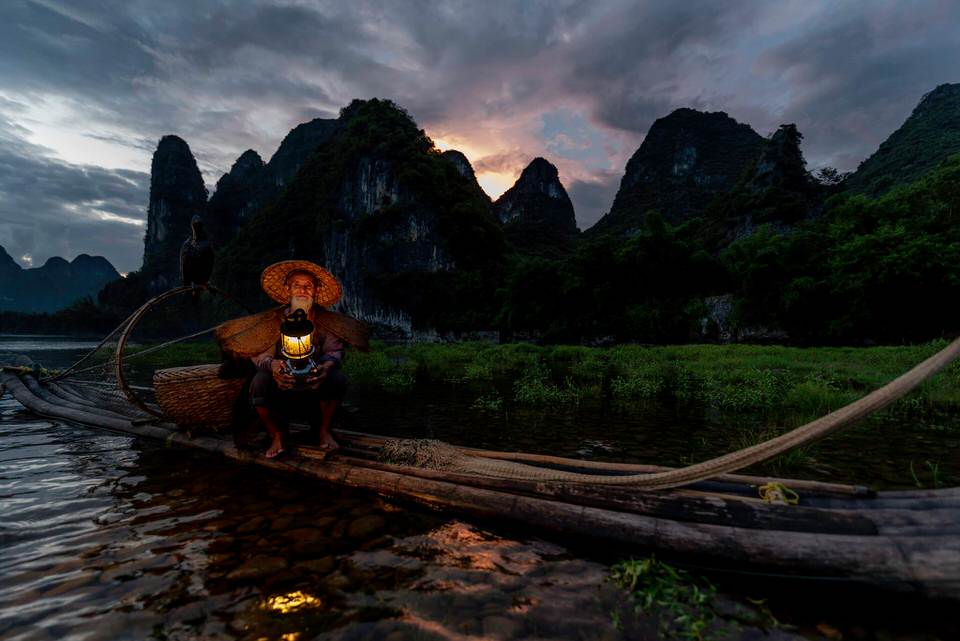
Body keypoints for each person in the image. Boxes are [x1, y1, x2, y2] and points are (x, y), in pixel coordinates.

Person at [215, 260, 369, 459]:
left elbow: (334, 352)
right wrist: (273, 365)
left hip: (314, 383)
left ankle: (323, 430)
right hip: (282, 385)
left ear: (316, 291)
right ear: (288, 289)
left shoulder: (328, 322)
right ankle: (277, 434)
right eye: (297, 285)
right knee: (259, 381)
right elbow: (261, 354)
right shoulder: (273, 321)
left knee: (338, 379)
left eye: (308, 286)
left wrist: (326, 368)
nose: (302, 290)